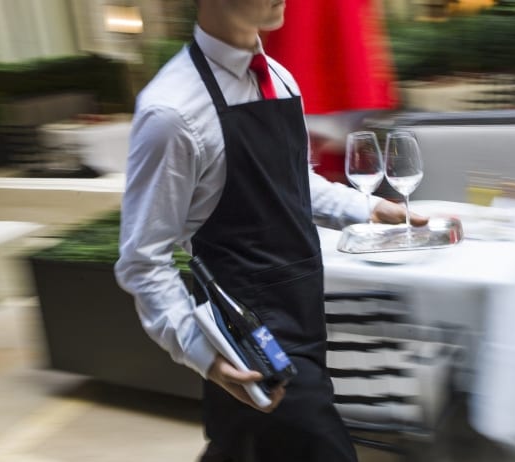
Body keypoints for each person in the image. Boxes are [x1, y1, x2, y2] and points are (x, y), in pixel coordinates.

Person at [115, 1, 427, 461]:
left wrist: (369, 207)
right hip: (249, 333)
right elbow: (142, 260)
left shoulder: (280, 78)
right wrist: (205, 354)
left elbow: (294, 182)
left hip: (304, 311)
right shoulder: (171, 112)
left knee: (242, 448)